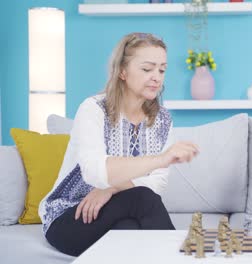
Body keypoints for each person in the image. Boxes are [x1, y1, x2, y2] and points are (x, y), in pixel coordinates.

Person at [38, 32, 199, 256]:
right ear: (122, 71)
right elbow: (95, 171)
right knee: (143, 198)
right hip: (71, 215)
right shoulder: (93, 109)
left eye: (162, 69)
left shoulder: (162, 119)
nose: (157, 77)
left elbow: (157, 183)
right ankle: (184, 258)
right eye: (147, 69)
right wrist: (161, 160)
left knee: (130, 232)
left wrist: (111, 188)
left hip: (119, 214)